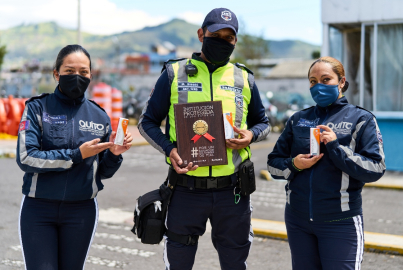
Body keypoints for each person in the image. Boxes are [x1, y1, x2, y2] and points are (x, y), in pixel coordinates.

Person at [138, 7, 270, 270]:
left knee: (235, 263)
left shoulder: (244, 78)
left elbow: (263, 123)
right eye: (215, 34)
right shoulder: (173, 74)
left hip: (233, 193)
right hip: (186, 190)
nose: (222, 41)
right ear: (201, 34)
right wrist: (170, 149)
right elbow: (146, 123)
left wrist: (250, 136)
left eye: (228, 38)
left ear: (235, 41)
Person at [16, 44, 133, 270]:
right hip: (39, 209)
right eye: (69, 71)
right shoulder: (37, 108)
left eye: (83, 72)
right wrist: (75, 155)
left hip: (81, 211)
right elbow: (26, 157)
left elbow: (103, 172)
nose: (77, 76)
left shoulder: (99, 116)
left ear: (90, 75)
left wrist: (115, 155)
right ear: (56, 73)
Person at [267, 56, 386, 269]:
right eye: (313, 81)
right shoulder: (297, 119)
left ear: (341, 82)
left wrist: (336, 148)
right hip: (298, 221)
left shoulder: (361, 119)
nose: (318, 86)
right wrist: (294, 164)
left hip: (340, 222)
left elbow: (375, 168)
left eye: (326, 79)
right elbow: (273, 164)